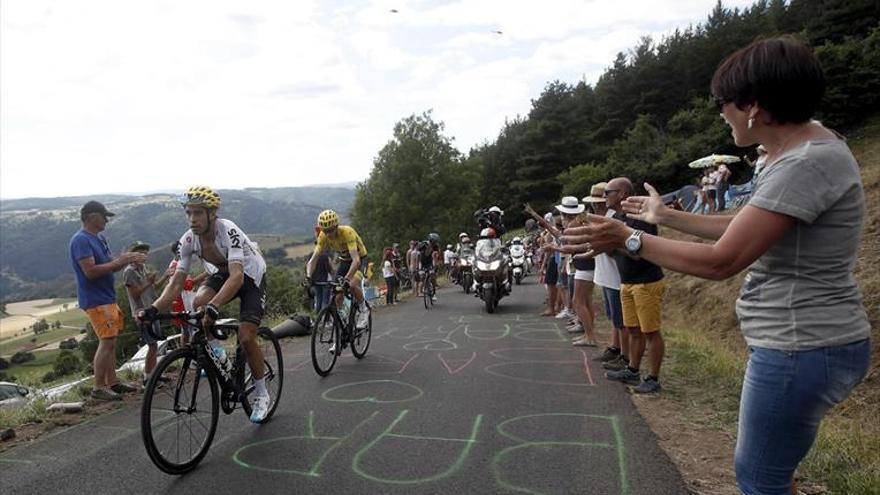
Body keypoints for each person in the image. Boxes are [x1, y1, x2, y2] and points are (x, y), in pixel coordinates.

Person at [561, 36, 871, 495]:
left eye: (721, 102)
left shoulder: (804, 162)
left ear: (753, 106)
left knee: (759, 480)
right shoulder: (801, 151)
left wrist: (627, 238)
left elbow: (722, 261)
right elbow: (741, 227)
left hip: (801, 342)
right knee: (770, 476)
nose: (719, 113)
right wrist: (664, 216)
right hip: (805, 340)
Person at [142, 186, 272, 423]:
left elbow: (237, 277)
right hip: (223, 273)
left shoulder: (228, 230)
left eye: (198, 213)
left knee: (245, 336)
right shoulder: (188, 240)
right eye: (189, 213)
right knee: (199, 303)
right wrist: (154, 309)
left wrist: (215, 305)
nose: (192, 219)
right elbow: (175, 284)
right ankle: (218, 352)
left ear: (212, 213)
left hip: (249, 276)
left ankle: (262, 394)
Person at [69, 200, 144, 400]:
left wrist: (125, 260)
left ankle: (113, 383)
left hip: (106, 297)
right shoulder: (81, 240)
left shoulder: (99, 238)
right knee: (107, 341)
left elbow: (111, 265)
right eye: (104, 217)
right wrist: (119, 262)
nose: (107, 221)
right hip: (96, 299)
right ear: (92, 217)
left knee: (111, 341)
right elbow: (90, 272)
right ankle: (98, 388)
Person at [583, 183, 627, 364]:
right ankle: (615, 348)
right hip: (605, 275)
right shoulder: (600, 219)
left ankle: (623, 355)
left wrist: (594, 241)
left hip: (615, 275)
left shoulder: (611, 219)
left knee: (620, 320)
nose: (596, 206)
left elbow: (611, 249)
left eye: (598, 202)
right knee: (613, 317)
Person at [306, 209, 371, 329]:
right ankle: (342, 325)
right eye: (326, 231)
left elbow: (356, 260)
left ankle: (364, 309)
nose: (328, 234)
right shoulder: (323, 236)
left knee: (351, 284)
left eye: (331, 230)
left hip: (360, 260)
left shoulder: (347, 232)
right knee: (337, 293)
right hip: (345, 261)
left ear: (336, 226)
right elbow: (313, 259)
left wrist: (347, 278)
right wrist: (309, 276)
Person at [122, 241, 169, 384]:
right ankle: (148, 378)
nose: (144, 255)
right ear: (133, 254)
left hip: (152, 309)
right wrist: (148, 282)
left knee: (155, 345)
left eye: (145, 252)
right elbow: (135, 294)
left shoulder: (143, 268)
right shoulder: (129, 271)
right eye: (140, 252)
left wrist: (165, 276)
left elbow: (153, 288)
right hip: (142, 313)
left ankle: (154, 374)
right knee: (152, 345)